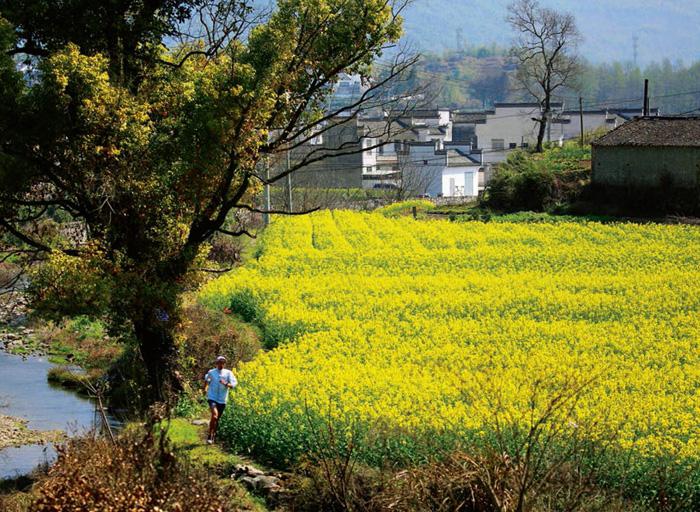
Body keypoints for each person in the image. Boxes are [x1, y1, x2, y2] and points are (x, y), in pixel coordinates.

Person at [203, 355, 237, 444]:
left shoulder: (228, 373)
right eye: (219, 362)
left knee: (216, 419)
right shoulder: (211, 372)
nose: (221, 364)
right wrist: (205, 388)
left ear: (224, 363)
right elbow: (207, 379)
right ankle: (210, 436)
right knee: (215, 415)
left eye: (223, 362)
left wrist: (226, 383)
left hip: (222, 399)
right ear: (216, 363)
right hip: (212, 397)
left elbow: (233, 384)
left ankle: (213, 434)